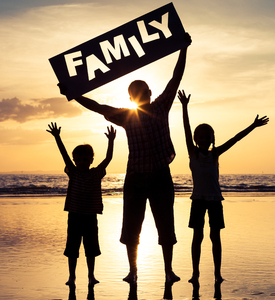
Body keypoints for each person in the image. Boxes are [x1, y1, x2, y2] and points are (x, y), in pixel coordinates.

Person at [58, 33, 192, 284]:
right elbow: (98, 107)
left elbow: (176, 78)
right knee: (132, 227)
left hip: (161, 174)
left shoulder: (162, 106)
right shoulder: (126, 116)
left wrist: (183, 48)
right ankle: (133, 271)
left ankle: (168, 270)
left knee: (166, 224)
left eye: (143, 91)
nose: (140, 95)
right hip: (136, 178)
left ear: (149, 92)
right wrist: (73, 93)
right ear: (131, 98)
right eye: (135, 93)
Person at [177, 90, 269, 284]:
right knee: (197, 236)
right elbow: (186, 130)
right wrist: (184, 107)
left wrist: (253, 126)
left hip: (216, 200)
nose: (203, 139)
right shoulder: (192, 153)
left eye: (207, 137)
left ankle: (217, 274)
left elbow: (236, 139)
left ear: (212, 138)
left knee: (215, 237)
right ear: (196, 139)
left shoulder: (215, 154)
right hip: (198, 200)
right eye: (200, 137)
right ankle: (195, 274)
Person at [46, 122, 116, 287]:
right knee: (72, 248)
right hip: (75, 216)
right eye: (78, 159)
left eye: (85, 159)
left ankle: (91, 276)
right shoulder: (73, 172)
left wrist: (111, 141)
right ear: (74, 161)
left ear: (91, 159)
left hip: (90, 217)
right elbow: (64, 155)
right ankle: (72, 277)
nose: (82, 162)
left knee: (90, 248)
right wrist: (57, 137)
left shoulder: (96, 173)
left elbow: (108, 158)